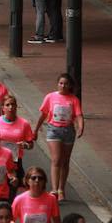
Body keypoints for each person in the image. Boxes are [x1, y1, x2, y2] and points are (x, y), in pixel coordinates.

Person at [33, 73, 84, 201]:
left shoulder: (74, 99)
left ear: (70, 86)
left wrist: (81, 127)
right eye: (61, 83)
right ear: (57, 84)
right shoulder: (50, 97)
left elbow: (78, 115)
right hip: (53, 130)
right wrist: (36, 129)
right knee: (56, 159)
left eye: (66, 84)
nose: (63, 86)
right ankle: (55, 190)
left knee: (65, 161)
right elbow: (43, 114)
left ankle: (61, 188)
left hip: (68, 131)